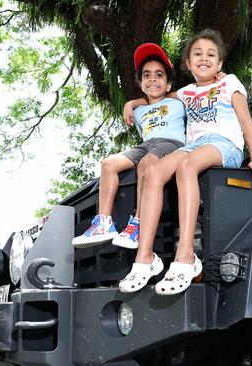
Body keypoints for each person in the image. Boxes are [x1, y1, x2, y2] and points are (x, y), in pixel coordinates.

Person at [118, 29, 252, 295]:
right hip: (193, 147)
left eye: (211, 54)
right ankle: (145, 257)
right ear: (188, 64)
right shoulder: (186, 93)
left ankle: (185, 255)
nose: (204, 58)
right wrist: (131, 103)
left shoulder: (229, 83)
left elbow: (246, 123)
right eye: (197, 54)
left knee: (186, 166)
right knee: (153, 171)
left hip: (223, 145)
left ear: (220, 64)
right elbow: (157, 96)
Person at [72, 43, 186, 249]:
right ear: (141, 83)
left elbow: (201, 90)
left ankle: (138, 223)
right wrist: (131, 104)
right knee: (108, 163)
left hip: (171, 143)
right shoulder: (139, 109)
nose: (152, 79)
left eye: (159, 75)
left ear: (169, 84)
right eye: (147, 75)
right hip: (146, 144)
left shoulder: (178, 100)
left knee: (147, 163)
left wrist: (219, 77)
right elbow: (142, 101)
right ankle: (104, 223)